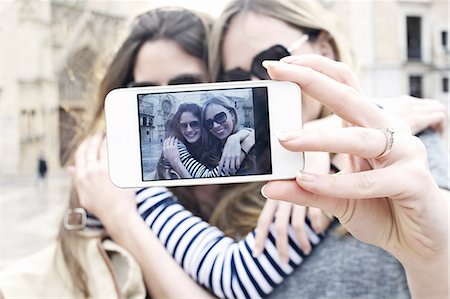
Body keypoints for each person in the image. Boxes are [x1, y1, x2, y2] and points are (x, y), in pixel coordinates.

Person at [260, 55, 449, 297]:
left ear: (324, 47)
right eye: (232, 77)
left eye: (267, 58)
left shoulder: (404, 143)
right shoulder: (226, 196)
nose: (259, 80)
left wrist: (432, 261)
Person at [159, 101, 254, 178]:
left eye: (194, 124)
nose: (189, 130)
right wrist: (175, 162)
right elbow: (209, 179)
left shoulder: (210, 144)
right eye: (184, 125)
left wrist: (237, 138)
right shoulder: (174, 146)